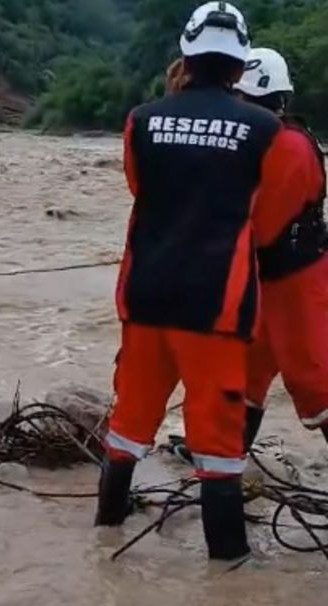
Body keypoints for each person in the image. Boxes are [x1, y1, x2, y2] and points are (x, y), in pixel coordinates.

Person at [95, 1, 301, 561]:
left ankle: (105, 530)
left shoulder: (141, 119)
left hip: (145, 296)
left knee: (128, 425)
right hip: (216, 306)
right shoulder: (264, 129)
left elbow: (141, 189)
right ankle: (226, 570)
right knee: (218, 446)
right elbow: (268, 218)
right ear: (239, 66)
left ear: (186, 54)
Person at [172, 48, 328, 463]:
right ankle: (226, 454)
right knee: (246, 374)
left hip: (296, 283)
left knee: (316, 383)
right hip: (267, 281)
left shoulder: (287, 148)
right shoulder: (270, 140)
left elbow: (262, 224)